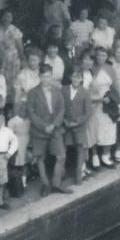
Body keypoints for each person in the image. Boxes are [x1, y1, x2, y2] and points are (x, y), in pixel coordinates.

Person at [27, 64, 70, 196]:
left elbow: (62, 109)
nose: (46, 79)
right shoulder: (33, 92)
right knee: (40, 158)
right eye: (44, 76)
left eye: (49, 76)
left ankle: (56, 184)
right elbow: (31, 112)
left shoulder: (57, 91)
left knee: (61, 155)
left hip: (54, 128)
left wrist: (54, 124)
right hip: (39, 130)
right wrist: (44, 126)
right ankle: (45, 184)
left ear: (52, 76)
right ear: (39, 77)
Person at [62, 66, 91, 185]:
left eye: (78, 77)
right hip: (65, 124)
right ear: (70, 77)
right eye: (74, 76)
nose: (75, 79)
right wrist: (64, 120)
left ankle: (79, 174)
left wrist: (77, 121)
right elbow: (59, 107)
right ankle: (62, 173)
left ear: (81, 79)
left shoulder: (85, 92)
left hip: (79, 126)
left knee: (80, 149)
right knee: (63, 149)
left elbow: (88, 111)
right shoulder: (63, 90)